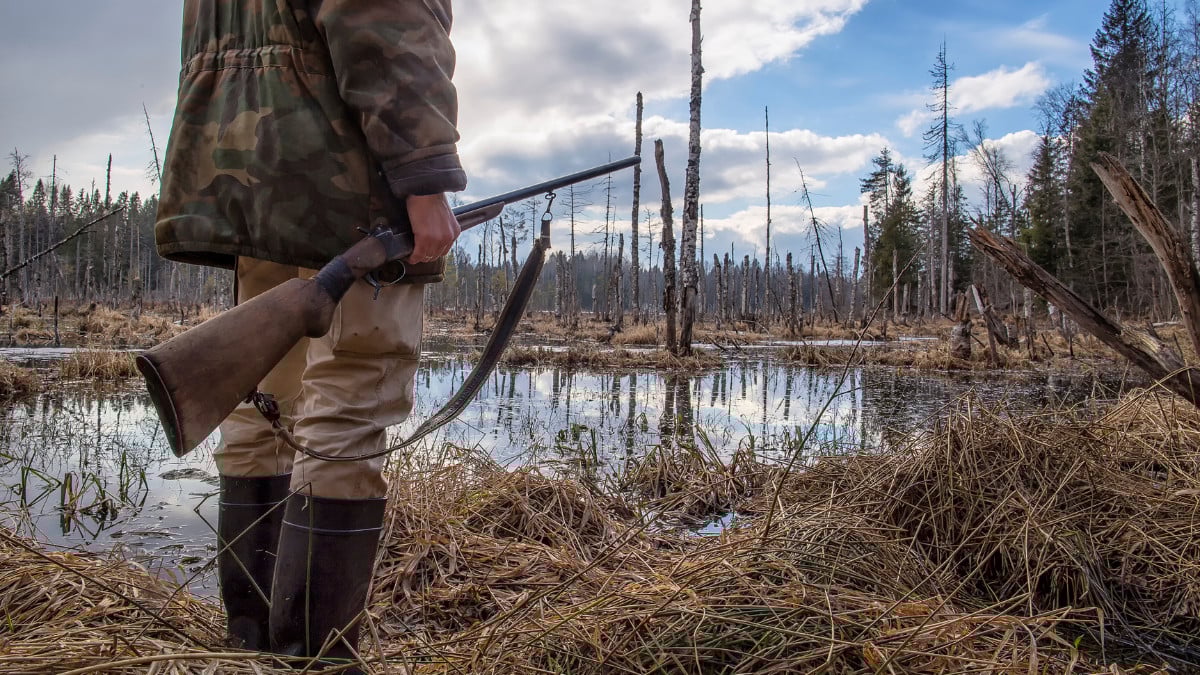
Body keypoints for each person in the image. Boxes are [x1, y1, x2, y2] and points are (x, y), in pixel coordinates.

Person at [153, 0, 466, 664]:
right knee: (353, 390)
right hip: (344, 176)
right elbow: (386, 13)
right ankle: (313, 657)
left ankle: (253, 643)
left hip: (247, 169)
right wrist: (424, 168)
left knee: (264, 399)